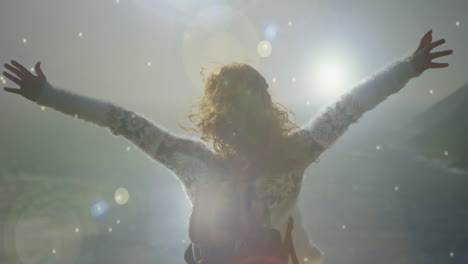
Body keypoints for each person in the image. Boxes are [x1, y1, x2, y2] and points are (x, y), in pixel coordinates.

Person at [2, 30, 452, 264]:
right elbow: (348, 108)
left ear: (214, 117)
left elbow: (122, 121)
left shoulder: (192, 160)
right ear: (268, 109)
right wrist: (407, 68)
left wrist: (48, 96)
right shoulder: (294, 153)